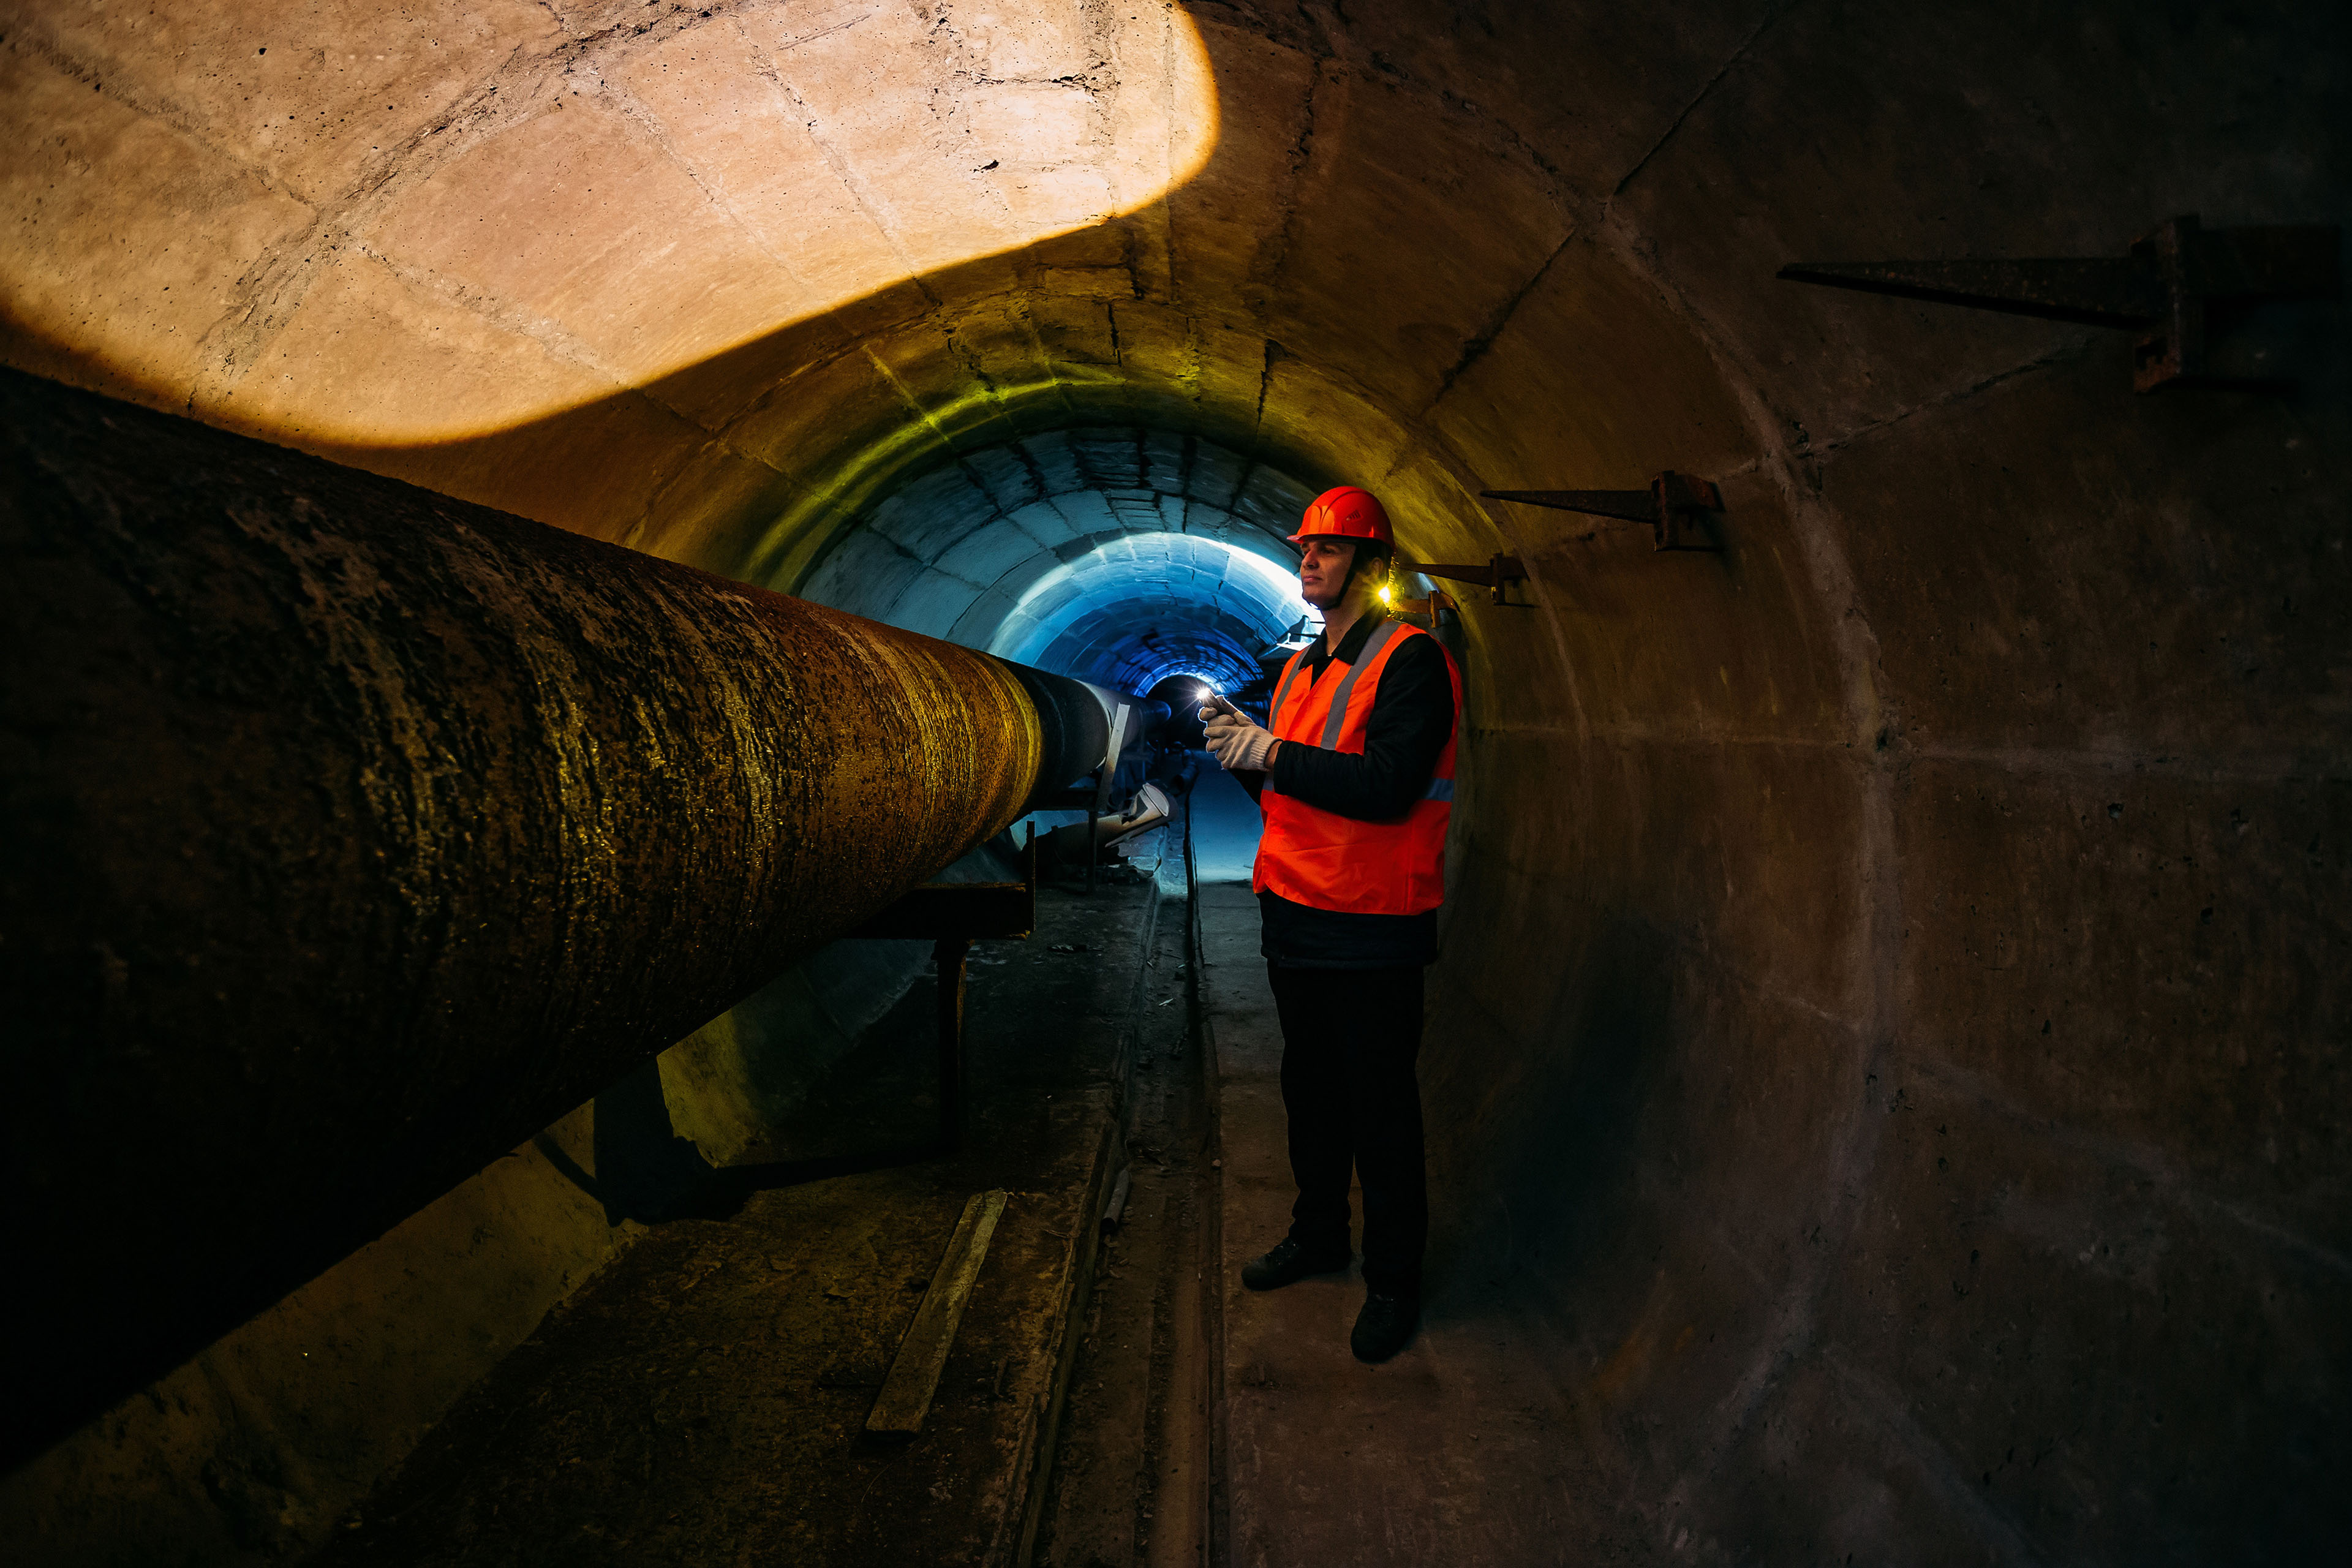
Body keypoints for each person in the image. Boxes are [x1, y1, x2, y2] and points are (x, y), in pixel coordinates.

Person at [1200, 484, 1461, 1363]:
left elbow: (1387, 786)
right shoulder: (1304, 666)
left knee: (1379, 1106)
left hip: (1374, 921)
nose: (1310, 560)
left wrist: (1273, 750)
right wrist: (1244, 751)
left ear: (1373, 565)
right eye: (1306, 548)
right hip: (1298, 912)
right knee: (1309, 1090)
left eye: (1331, 549)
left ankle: (1393, 1279)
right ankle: (1319, 1235)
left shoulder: (1412, 661)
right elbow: (1294, 790)